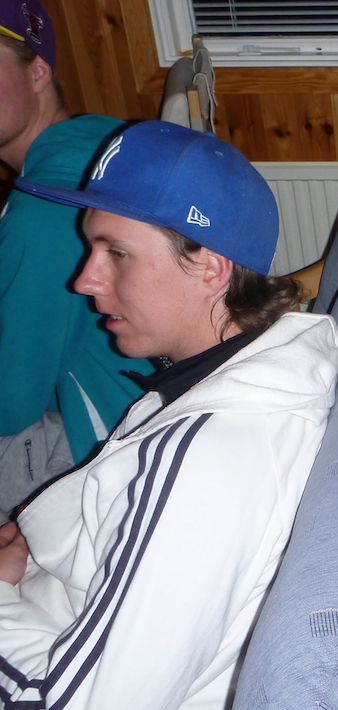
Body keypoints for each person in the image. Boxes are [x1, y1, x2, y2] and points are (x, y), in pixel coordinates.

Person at [0, 120, 338, 710]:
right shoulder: (224, 378)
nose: (84, 279)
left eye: (116, 253)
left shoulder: (210, 459)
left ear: (209, 266)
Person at [0, 0, 150, 523]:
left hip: (116, 448)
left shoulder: (43, 213)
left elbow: (11, 405)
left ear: (38, 72)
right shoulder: (104, 140)